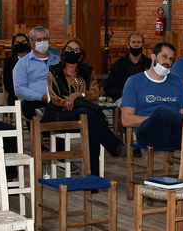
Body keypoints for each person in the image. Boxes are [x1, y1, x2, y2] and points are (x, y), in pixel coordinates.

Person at [44, 36, 123, 175]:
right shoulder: (54, 71)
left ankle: (93, 177)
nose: (72, 52)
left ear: (80, 56)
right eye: (69, 49)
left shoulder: (87, 71)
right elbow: (56, 98)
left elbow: (95, 92)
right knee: (89, 114)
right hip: (60, 114)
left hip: (83, 116)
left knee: (91, 125)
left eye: (76, 50)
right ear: (63, 53)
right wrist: (70, 102)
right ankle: (114, 145)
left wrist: (79, 95)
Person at [120, 41, 183, 150]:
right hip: (148, 134)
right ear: (153, 57)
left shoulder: (177, 82)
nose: (167, 62)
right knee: (162, 112)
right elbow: (126, 120)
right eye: (164, 57)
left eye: (171, 59)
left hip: (173, 133)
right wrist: (156, 119)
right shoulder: (134, 81)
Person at [11, 25, 59, 118]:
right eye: (39, 40)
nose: (43, 42)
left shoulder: (58, 60)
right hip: (34, 101)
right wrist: (41, 96)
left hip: (58, 99)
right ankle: (41, 131)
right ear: (32, 42)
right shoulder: (23, 63)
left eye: (45, 39)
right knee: (35, 111)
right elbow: (19, 89)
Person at [103, 31, 150, 100]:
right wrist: (123, 92)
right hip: (124, 100)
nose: (136, 45)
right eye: (133, 42)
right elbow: (108, 88)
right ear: (128, 45)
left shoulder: (150, 64)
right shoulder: (118, 65)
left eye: (139, 42)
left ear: (143, 45)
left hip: (146, 99)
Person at [2, 32, 30, 104]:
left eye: (23, 41)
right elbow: (8, 84)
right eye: (17, 42)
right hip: (15, 95)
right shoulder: (9, 62)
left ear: (28, 43)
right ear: (13, 45)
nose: (20, 44)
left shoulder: (35, 59)